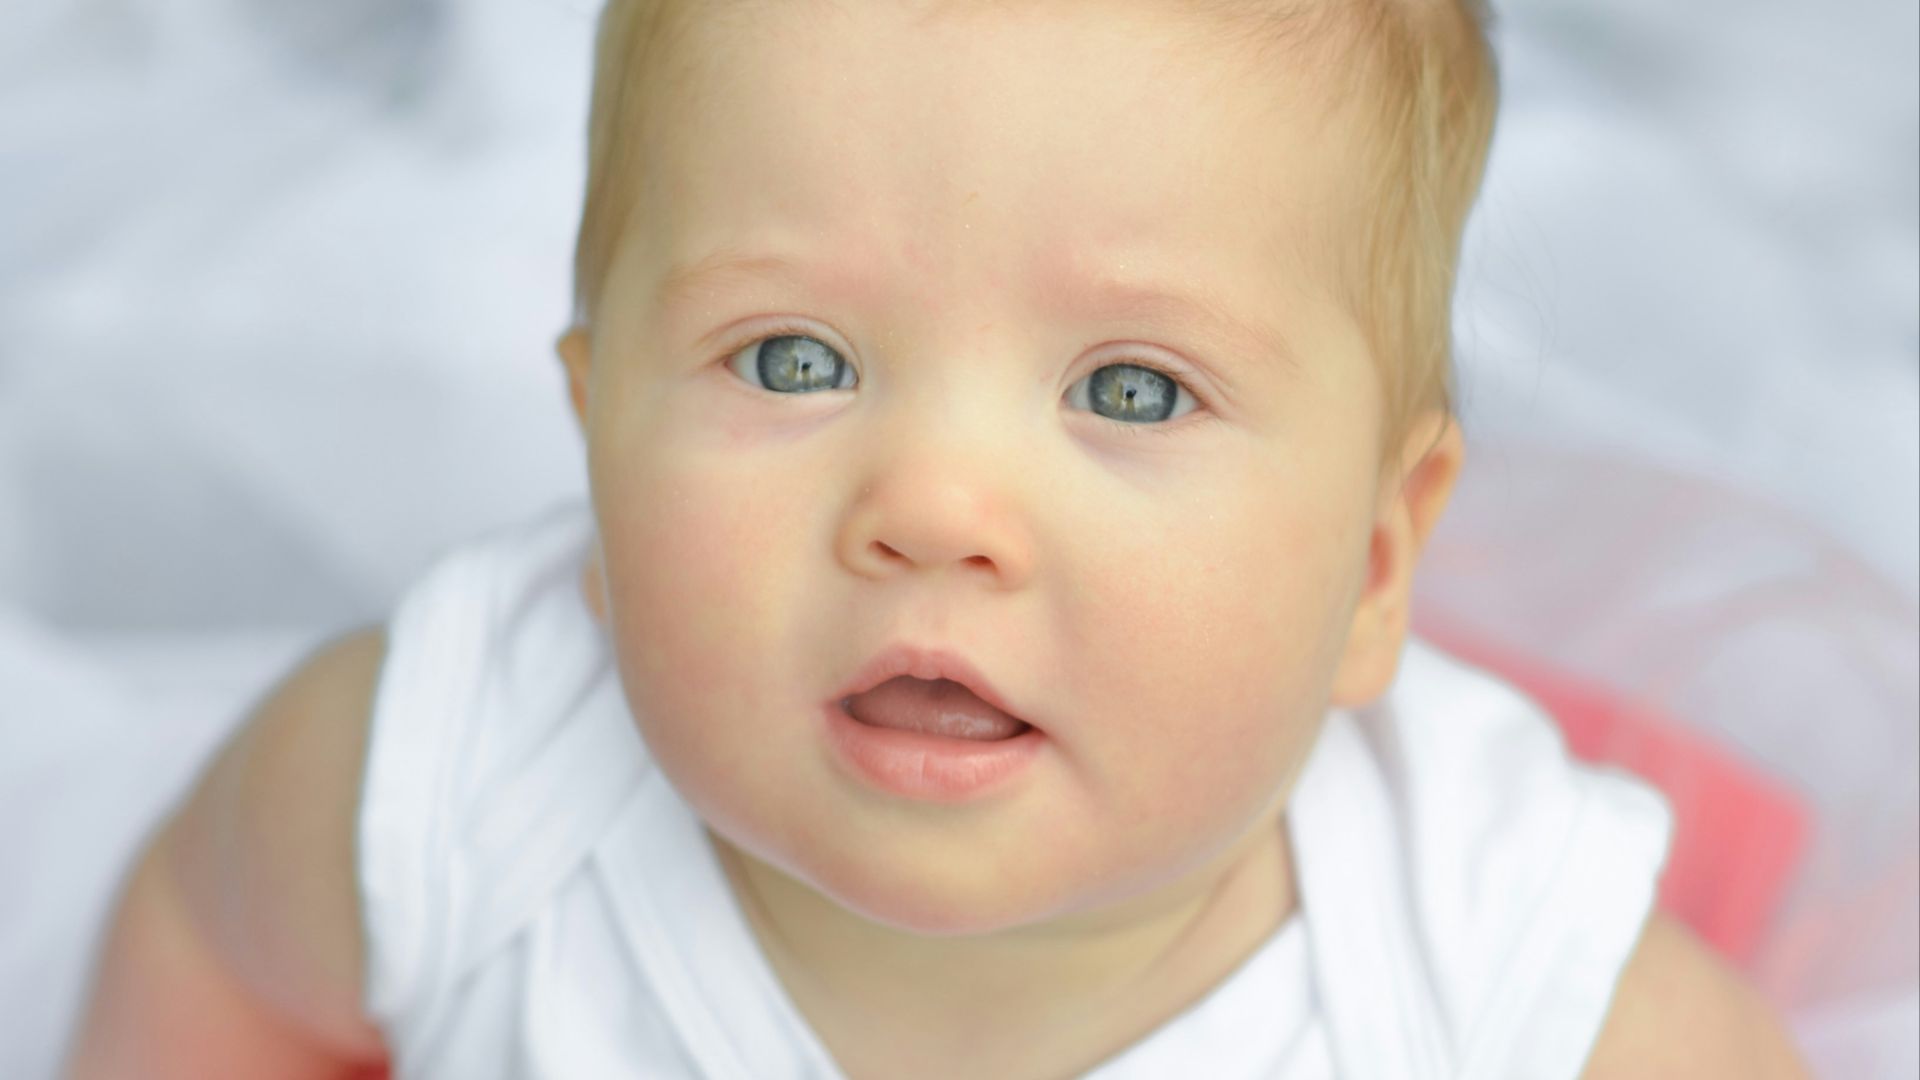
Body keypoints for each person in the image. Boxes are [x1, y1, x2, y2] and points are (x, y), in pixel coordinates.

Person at [64, 1, 1810, 1076]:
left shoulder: (1503, 977)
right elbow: (212, 958)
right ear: (597, 441)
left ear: (1369, 567)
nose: (933, 511)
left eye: (1132, 390)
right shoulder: (437, 792)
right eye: (793, 359)